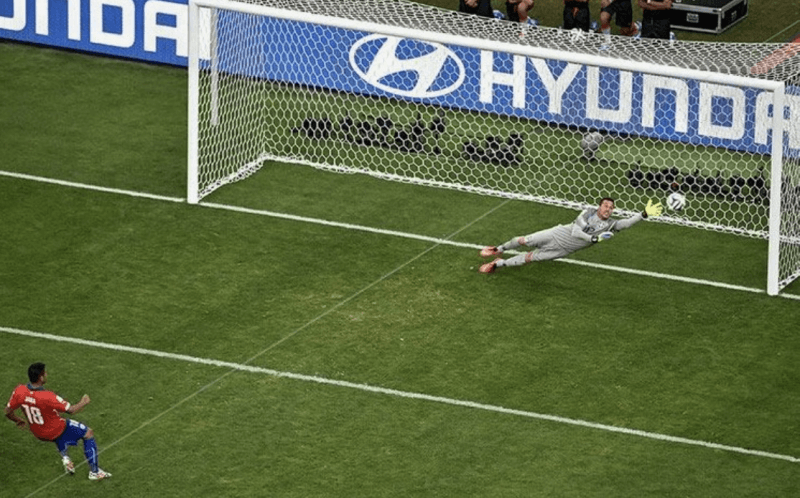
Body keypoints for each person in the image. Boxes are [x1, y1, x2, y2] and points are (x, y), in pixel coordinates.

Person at [479, 197, 663, 273]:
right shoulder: (588, 213)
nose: (609, 209)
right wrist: (592, 239)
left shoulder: (611, 225)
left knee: (529, 258)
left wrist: (644, 214)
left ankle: (497, 264)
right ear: (599, 206)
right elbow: (576, 231)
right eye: (606, 206)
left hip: (563, 250)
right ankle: (498, 249)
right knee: (524, 240)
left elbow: (627, 223)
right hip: (555, 234)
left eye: (611, 207)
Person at [5, 362, 112, 481]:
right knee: (88, 433)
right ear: (41, 378)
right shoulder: (48, 396)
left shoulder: (19, 391)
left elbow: (8, 412)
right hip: (56, 429)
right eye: (45, 373)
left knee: (54, 425)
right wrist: (84, 402)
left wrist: (18, 420)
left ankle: (66, 459)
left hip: (38, 432)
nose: (46, 374)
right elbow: (71, 410)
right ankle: (95, 472)